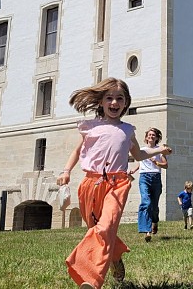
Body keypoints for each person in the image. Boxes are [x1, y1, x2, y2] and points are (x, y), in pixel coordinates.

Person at [56, 78, 173, 289]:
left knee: (105, 226)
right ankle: (115, 255)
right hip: (90, 184)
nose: (114, 102)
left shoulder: (127, 129)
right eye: (109, 98)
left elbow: (138, 154)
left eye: (120, 98)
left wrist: (160, 150)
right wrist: (66, 172)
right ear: (101, 101)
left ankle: (91, 279)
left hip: (117, 184)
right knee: (98, 229)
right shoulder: (90, 127)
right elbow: (76, 151)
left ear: (126, 103)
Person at [129, 127, 168, 242]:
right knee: (146, 201)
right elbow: (140, 162)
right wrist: (134, 170)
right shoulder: (142, 149)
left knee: (154, 206)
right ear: (146, 137)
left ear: (157, 138)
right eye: (149, 135)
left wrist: (155, 162)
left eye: (153, 135)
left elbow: (165, 165)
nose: (151, 136)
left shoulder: (160, 150)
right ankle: (146, 231)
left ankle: (155, 221)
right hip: (144, 177)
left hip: (155, 177)